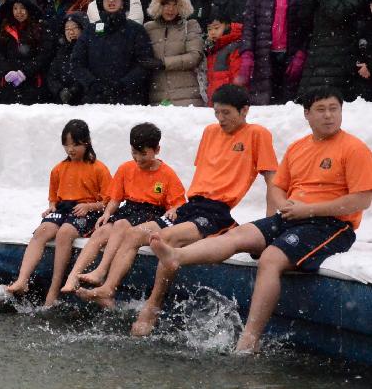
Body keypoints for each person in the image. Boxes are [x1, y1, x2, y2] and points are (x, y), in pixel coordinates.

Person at [150, 88, 372, 353]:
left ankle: (250, 338)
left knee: (270, 258)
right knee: (238, 235)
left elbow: (361, 200)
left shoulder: (354, 148)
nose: (328, 116)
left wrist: (309, 211)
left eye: (333, 109)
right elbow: (278, 186)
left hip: (331, 224)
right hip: (293, 216)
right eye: (321, 110)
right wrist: (283, 207)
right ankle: (176, 257)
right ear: (307, 115)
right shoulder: (298, 147)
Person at [123, 84, 278, 337]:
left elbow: (272, 179)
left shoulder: (257, 134)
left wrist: (270, 226)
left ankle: (152, 306)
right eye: (217, 112)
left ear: (245, 110)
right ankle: (109, 289)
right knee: (134, 234)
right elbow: (206, 173)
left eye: (227, 113)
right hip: (193, 204)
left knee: (166, 239)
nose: (221, 119)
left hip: (217, 211)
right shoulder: (210, 132)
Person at [62, 122, 185, 301]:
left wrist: (174, 209)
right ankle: (73, 277)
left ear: (157, 149)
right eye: (134, 153)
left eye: (143, 154)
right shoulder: (126, 168)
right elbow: (116, 199)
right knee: (101, 232)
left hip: (150, 211)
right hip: (129, 208)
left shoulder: (167, 174)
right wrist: (106, 214)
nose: (138, 159)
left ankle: (101, 271)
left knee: (120, 224)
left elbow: (178, 202)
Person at [7, 119, 111, 306]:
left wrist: (90, 207)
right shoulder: (59, 169)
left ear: (86, 142)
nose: (71, 149)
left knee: (65, 233)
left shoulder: (99, 169)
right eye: (67, 145)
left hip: (86, 210)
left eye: (75, 144)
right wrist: (52, 206)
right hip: (64, 207)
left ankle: (54, 291)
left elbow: (108, 202)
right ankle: (22, 280)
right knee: (42, 231)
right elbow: (54, 196)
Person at [240, 0, 312, 106]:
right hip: (264, 55)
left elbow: (309, 27)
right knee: (265, 105)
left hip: (291, 55)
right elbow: (250, 24)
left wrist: (301, 54)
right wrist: (247, 54)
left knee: (290, 107)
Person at [298, 0, 367, 101]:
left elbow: (341, 13)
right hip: (317, 55)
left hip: (341, 59)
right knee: (310, 104)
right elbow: (305, 19)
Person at [72, 0, 153, 105]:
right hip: (94, 101)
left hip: (129, 101)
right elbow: (77, 62)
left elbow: (144, 64)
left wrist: (123, 84)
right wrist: (92, 83)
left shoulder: (136, 30)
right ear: (100, 2)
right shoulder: (91, 30)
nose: (111, 0)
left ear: (123, 1)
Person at [143, 0, 204, 106]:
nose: (170, 9)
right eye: (166, 4)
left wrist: (164, 63)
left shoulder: (190, 25)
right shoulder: (148, 28)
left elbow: (194, 57)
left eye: (175, 5)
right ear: (158, 5)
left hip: (188, 96)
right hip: (157, 95)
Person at [0, 0, 51, 105]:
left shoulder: (41, 28)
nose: (19, 12)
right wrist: (7, 71)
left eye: (22, 8)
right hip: (9, 84)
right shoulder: (5, 28)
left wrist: (25, 72)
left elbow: (45, 55)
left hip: (33, 83)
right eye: (15, 8)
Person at [46, 14, 87, 105]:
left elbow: (89, 75)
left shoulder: (89, 50)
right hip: (63, 104)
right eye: (67, 29)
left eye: (74, 28)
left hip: (85, 103)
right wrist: (60, 90)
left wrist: (74, 90)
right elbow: (51, 76)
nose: (71, 32)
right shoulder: (61, 51)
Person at [205, 10, 243, 105]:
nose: (212, 32)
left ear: (227, 26)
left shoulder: (234, 47)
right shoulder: (212, 49)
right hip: (216, 102)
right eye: (209, 29)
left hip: (230, 102)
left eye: (216, 28)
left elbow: (238, 77)